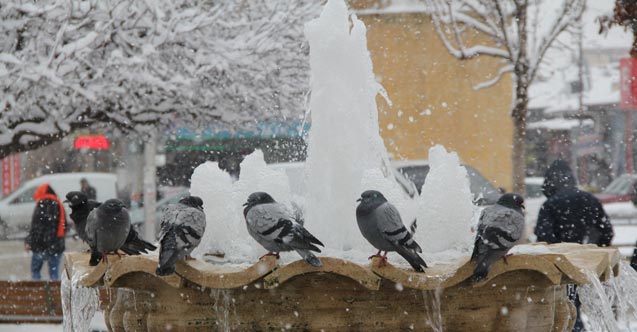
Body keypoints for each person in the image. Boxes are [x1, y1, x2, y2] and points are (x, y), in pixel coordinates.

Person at [535, 159, 614, 332]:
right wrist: (593, 253)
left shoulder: (550, 205)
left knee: (566, 309)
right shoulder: (589, 199)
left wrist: (558, 256)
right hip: (586, 266)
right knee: (577, 308)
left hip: (561, 266)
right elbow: (606, 231)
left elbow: (543, 237)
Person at [25, 183, 66, 280]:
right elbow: (65, 227)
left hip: (40, 246)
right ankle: (55, 293)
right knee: (54, 274)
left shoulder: (41, 205)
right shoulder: (59, 204)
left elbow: (36, 227)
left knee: (35, 272)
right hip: (56, 246)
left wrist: (29, 242)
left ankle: (37, 292)